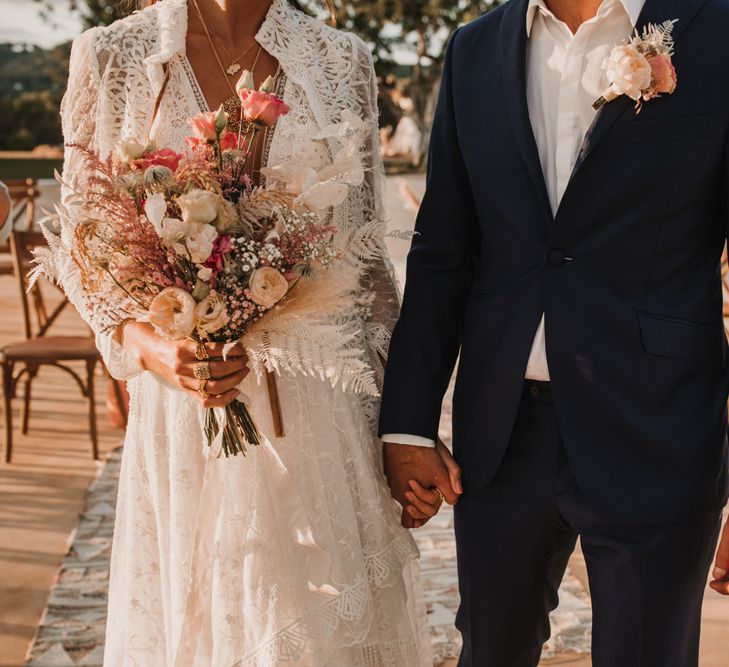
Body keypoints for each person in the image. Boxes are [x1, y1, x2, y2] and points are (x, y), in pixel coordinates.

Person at [54, 0, 460, 663]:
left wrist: (401, 427)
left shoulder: (342, 60)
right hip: (185, 414)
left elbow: (366, 271)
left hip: (322, 413)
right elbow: (83, 252)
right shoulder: (110, 57)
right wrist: (154, 349)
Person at [380, 0, 729, 665]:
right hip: (501, 438)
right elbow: (442, 252)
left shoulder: (716, 32)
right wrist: (407, 424)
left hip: (658, 429)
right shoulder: (473, 49)